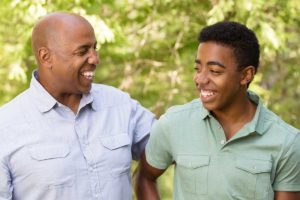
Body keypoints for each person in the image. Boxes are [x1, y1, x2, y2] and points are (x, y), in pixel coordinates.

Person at [135, 21, 300, 200]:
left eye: (214, 71)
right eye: (198, 69)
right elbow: (144, 177)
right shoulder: (173, 123)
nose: (200, 79)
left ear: (246, 75)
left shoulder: (287, 142)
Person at [0, 12, 155, 200]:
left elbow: (171, 144)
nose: (95, 59)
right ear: (46, 57)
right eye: (82, 52)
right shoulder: (6, 126)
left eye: (94, 49)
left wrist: (145, 182)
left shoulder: (120, 104)